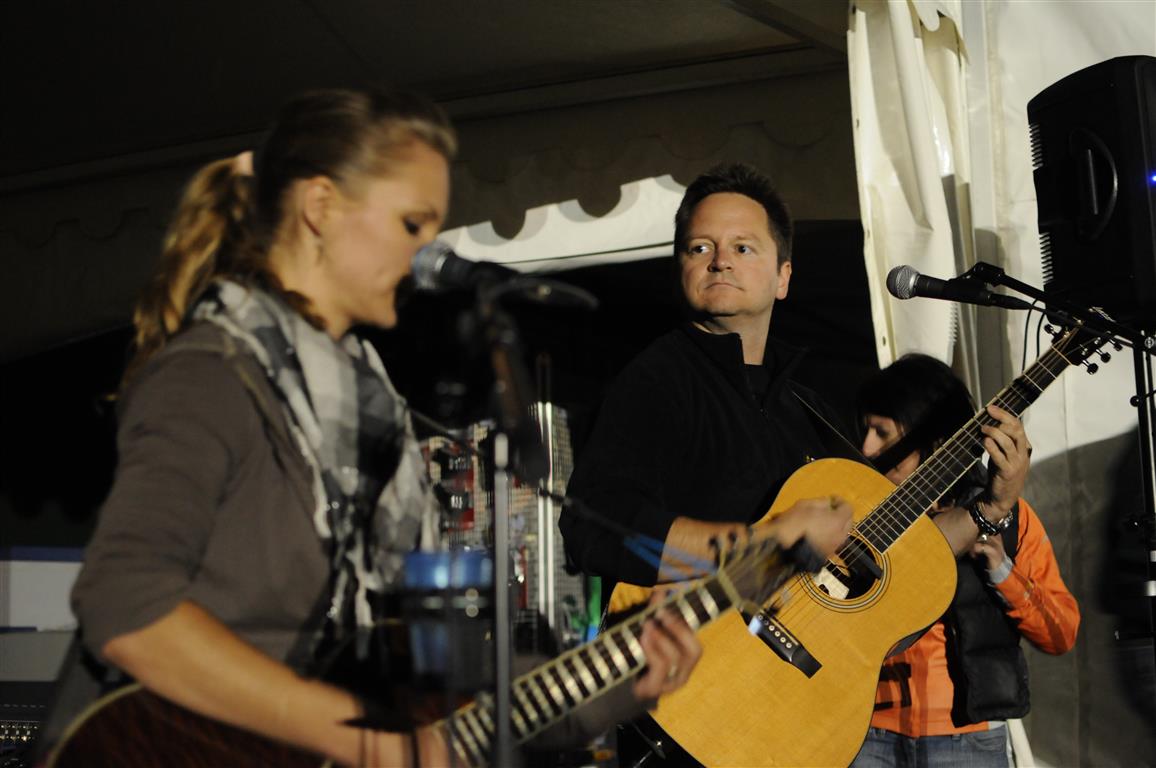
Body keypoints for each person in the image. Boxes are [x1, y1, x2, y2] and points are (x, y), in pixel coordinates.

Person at [51, 87, 707, 767]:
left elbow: (453, 687)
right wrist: (356, 737)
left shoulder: (375, 416)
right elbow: (125, 603)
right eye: (412, 224)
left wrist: (619, 676)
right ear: (320, 207)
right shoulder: (212, 376)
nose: (428, 253)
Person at [558, 162, 855, 766]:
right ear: (682, 270)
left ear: (783, 276)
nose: (720, 261)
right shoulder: (656, 379)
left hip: (792, 708)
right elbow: (594, 525)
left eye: (743, 247)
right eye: (700, 247)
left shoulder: (810, 407)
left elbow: (873, 545)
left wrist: (989, 514)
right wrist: (763, 543)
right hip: (689, 713)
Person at [851, 354, 1080, 768]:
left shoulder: (1010, 517)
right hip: (863, 733)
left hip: (966, 739)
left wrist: (1003, 572)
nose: (867, 448)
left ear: (936, 441)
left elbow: (1061, 634)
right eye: (865, 429)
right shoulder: (852, 510)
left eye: (882, 432)